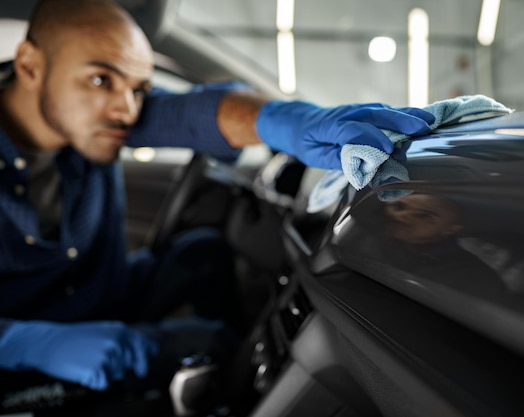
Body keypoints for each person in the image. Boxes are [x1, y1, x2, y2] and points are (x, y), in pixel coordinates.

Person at [0, 0, 435, 393]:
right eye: (100, 79)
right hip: (33, 359)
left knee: (203, 252)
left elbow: (192, 112)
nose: (127, 110)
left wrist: (283, 120)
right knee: (217, 348)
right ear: (30, 64)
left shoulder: (92, 119)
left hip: (105, 299)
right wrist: (23, 343)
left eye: (138, 89)